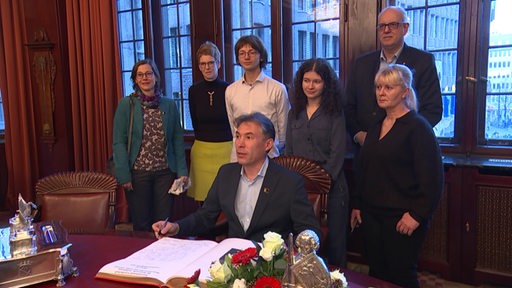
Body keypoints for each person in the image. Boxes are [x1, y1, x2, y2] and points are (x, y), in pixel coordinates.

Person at [153, 112, 321, 242]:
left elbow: (309, 230)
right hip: (234, 260)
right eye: (238, 136)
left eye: (249, 137)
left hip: (272, 265)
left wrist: (290, 253)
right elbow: (205, 217)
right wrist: (176, 227)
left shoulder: (289, 182)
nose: (240, 144)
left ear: (268, 144)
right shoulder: (226, 173)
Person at [350, 64, 443, 288]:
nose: (381, 92)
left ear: (404, 92)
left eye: (389, 87)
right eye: (378, 87)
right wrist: (357, 204)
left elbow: (433, 179)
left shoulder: (418, 128)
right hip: (372, 215)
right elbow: (365, 169)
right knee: (376, 273)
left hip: (402, 218)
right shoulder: (376, 125)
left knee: (401, 275)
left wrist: (417, 215)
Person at [345, 5, 442, 147]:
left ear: (405, 28)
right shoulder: (361, 63)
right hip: (366, 150)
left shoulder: (423, 61)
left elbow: (433, 110)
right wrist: (358, 134)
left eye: (393, 25)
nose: (386, 30)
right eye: (382, 26)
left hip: (405, 151)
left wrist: (403, 137)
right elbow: (349, 106)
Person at [285, 58, 349, 267]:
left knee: (336, 245)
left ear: (326, 84)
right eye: (306, 80)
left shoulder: (335, 112)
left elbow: (337, 154)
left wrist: (320, 182)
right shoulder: (293, 112)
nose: (310, 86)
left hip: (333, 187)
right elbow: (290, 152)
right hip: (300, 190)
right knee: (304, 243)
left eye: (317, 81)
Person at [113, 59, 188, 231]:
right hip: (138, 174)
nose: (145, 78)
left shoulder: (169, 105)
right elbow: (118, 141)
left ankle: (162, 256)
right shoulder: (127, 104)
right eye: (140, 75)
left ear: (156, 77)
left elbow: (177, 139)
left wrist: (182, 172)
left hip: (165, 173)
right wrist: (124, 175)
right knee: (142, 223)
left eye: (148, 73)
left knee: (164, 222)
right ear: (135, 80)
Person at [225, 35, 290, 161]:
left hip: (269, 157)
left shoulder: (277, 89)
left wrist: (267, 148)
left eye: (252, 52)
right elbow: (234, 128)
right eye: (242, 53)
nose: (247, 57)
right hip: (239, 158)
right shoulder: (231, 91)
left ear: (261, 56)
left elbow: (283, 132)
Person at [187, 41, 232, 202]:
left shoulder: (230, 89)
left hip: (226, 151)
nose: (207, 67)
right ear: (199, 66)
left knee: (226, 199)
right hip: (202, 153)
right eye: (203, 64)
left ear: (218, 64)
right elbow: (195, 122)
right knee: (203, 202)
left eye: (211, 63)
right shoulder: (193, 90)